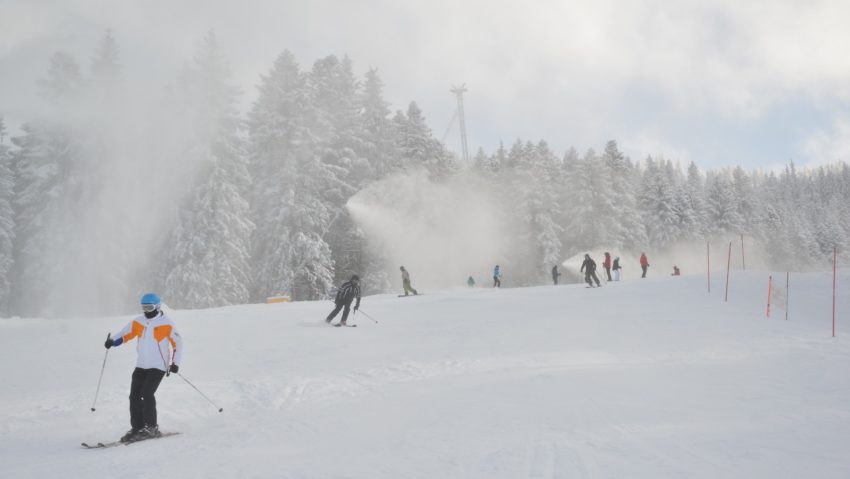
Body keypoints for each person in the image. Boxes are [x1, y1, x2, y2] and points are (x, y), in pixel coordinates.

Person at [104, 293, 183, 443]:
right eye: (144, 307)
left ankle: (151, 428)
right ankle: (137, 428)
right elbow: (125, 334)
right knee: (134, 396)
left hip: (158, 366)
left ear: (157, 306)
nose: (146, 310)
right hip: (141, 365)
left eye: (150, 307)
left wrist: (175, 363)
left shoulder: (166, 323)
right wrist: (112, 342)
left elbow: (178, 343)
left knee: (147, 393)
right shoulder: (138, 322)